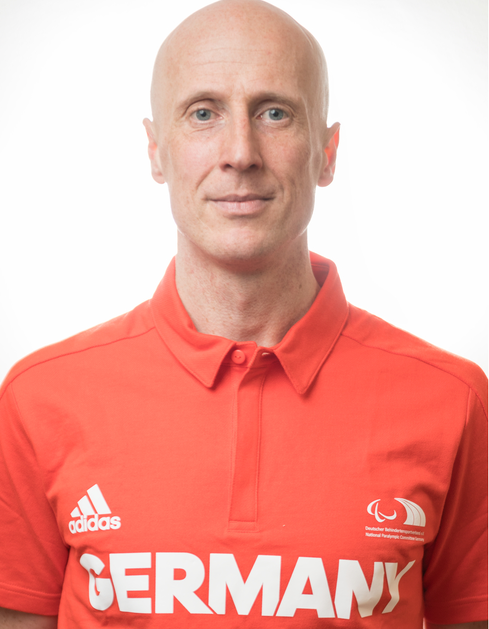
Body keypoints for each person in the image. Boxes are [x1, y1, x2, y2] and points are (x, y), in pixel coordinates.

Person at [0, 0, 486, 626]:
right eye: (203, 113)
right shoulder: (40, 400)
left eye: (274, 112)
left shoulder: (452, 401)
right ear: (156, 150)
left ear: (327, 152)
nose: (240, 152)